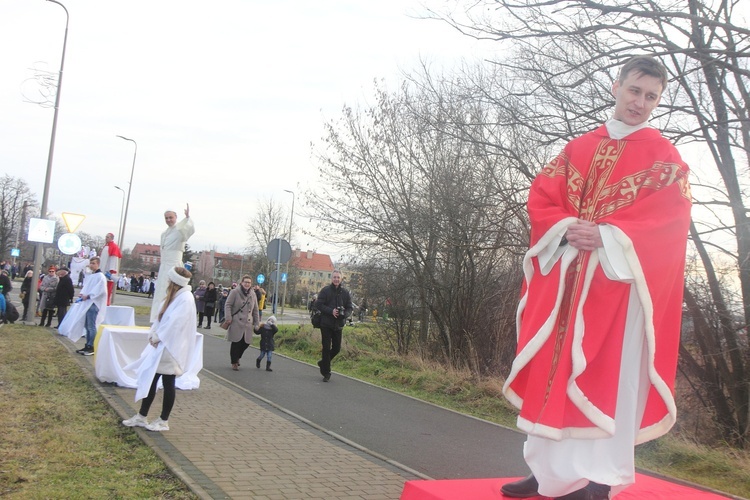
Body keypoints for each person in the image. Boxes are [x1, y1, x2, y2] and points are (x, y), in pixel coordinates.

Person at [499, 55, 691, 500]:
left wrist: (607, 235)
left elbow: (670, 223)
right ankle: (546, 474)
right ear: (615, 87)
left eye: (651, 97)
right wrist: (569, 228)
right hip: (565, 285)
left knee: (611, 381)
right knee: (553, 369)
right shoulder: (577, 148)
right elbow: (542, 199)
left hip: (616, 292)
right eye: (634, 91)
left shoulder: (665, 158)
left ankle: (599, 480)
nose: (640, 103)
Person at [122, 267, 197, 432]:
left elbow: (175, 323)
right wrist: (153, 333)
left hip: (171, 348)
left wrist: (158, 336)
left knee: (167, 382)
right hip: (164, 345)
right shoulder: (177, 296)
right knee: (152, 379)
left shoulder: (185, 298)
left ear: (175, 282)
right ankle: (142, 416)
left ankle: (163, 420)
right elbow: (162, 318)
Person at [150, 204, 195, 322]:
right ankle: (158, 317)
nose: (169, 220)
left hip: (174, 266)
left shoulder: (180, 230)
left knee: (172, 292)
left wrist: (187, 218)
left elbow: (188, 230)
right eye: (166, 218)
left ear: (176, 217)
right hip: (164, 266)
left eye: (171, 217)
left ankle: (170, 318)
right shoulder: (164, 234)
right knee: (161, 292)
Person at [314, 270, 352, 382]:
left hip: (338, 325)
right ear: (332, 278)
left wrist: (344, 314)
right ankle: (326, 372)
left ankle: (323, 363)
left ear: (341, 279)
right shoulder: (325, 291)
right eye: (334, 277)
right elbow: (319, 305)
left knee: (336, 348)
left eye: (338, 278)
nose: (336, 279)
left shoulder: (345, 293)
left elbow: (350, 307)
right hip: (326, 324)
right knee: (326, 348)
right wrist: (331, 311)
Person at [224, 275, 260, 371]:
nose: (247, 284)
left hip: (248, 322)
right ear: (242, 283)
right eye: (245, 282)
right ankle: (234, 362)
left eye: (249, 282)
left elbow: (255, 309)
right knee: (236, 342)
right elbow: (228, 305)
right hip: (236, 320)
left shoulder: (253, 294)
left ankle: (238, 357)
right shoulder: (235, 292)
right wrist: (228, 317)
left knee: (246, 343)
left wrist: (257, 323)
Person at [74, 257, 108, 355]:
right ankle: (87, 344)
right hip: (88, 303)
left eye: (93, 263)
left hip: (93, 304)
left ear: (98, 264)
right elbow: (88, 287)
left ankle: (91, 346)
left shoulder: (100, 276)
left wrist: (88, 296)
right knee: (87, 325)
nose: (91, 265)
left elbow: (100, 290)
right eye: (91, 263)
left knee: (91, 326)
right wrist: (82, 293)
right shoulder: (93, 276)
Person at [100, 232, 122, 305]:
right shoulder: (106, 246)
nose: (106, 238)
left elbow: (113, 259)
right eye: (106, 237)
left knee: (107, 287)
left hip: (108, 271)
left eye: (107, 237)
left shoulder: (113, 247)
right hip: (102, 269)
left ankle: (106, 302)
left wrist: (111, 270)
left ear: (111, 238)